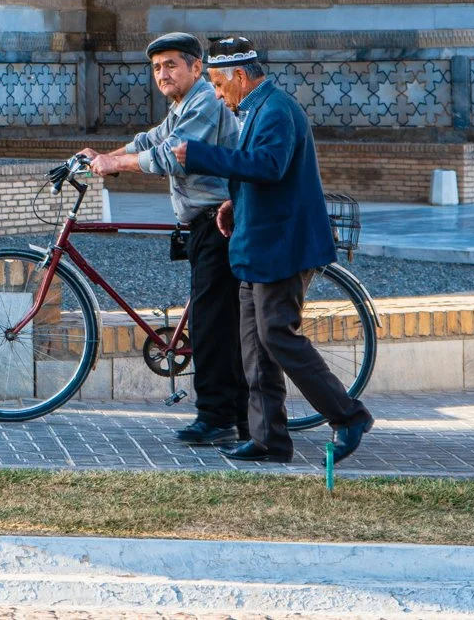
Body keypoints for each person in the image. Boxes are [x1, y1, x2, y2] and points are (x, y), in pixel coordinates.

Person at [96, 36, 372, 465]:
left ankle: (348, 415)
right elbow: (255, 171)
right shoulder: (253, 110)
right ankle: (268, 439)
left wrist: (202, 156)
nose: (216, 93)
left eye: (218, 84)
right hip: (254, 243)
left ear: (240, 76)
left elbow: (270, 166)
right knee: (254, 345)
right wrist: (232, 202)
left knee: (276, 335)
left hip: (282, 245)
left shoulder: (276, 110)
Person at [85, 33, 245, 447]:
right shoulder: (183, 106)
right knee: (217, 320)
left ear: (197, 67)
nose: (162, 74)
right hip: (202, 224)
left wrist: (115, 163)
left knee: (211, 326)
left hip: (219, 223)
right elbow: (149, 140)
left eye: (171, 64)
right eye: (156, 67)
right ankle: (239, 415)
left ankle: (217, 419)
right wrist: (103, 157)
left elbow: (169, 154)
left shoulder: (205, 102)